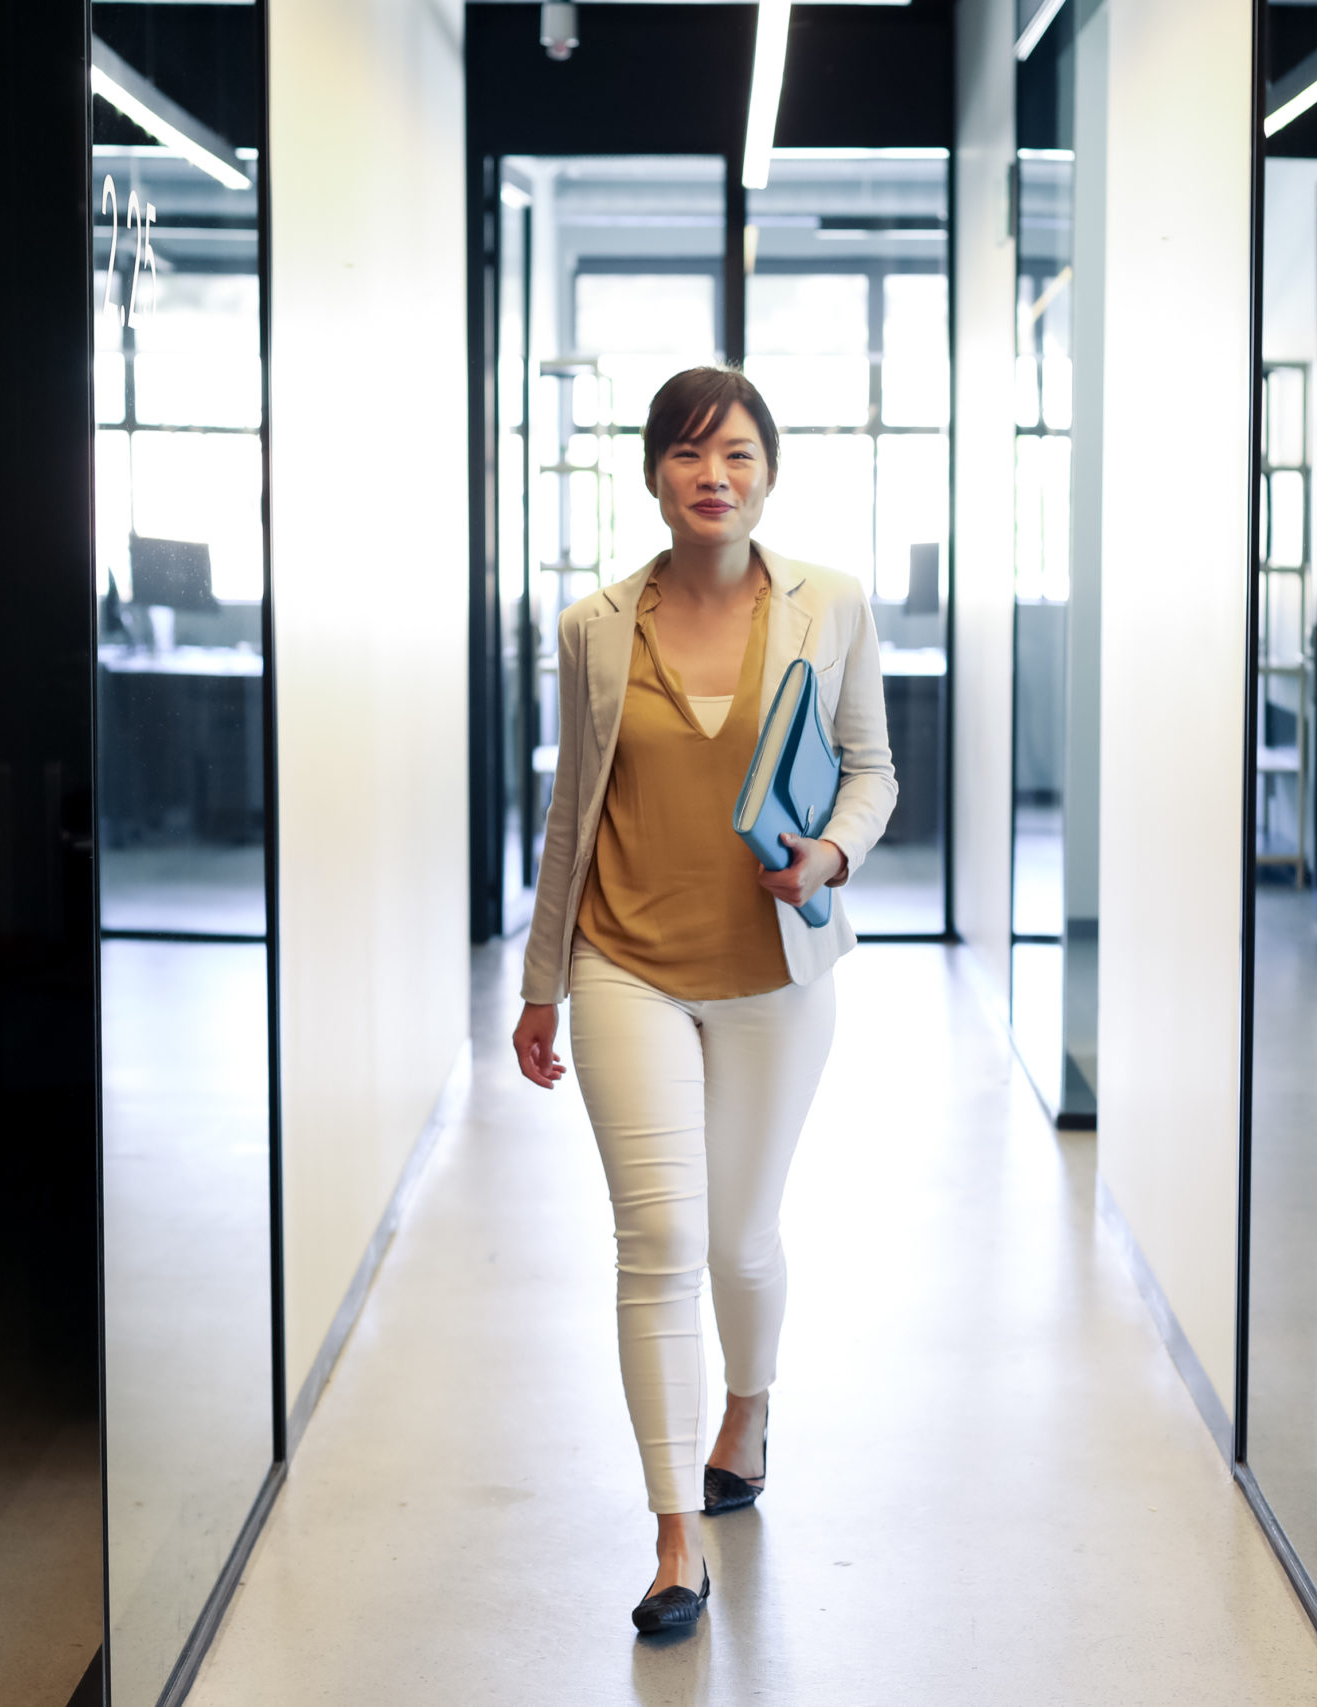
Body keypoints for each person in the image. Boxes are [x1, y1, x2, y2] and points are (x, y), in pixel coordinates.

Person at [512, 366, 897, 1635]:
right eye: (686, 454)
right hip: (624, 963)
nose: (712, 474)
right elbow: (571, 811)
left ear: (767, 471)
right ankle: (677, 1537)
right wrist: (539, 990)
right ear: (653, 476)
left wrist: (829, 857)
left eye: (734, 453)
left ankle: (751, 1404)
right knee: (659, 1246)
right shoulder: (593, 626)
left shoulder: (828, 603)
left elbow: (869, 767)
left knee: (739, 1241)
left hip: (777, 973)